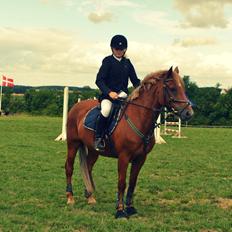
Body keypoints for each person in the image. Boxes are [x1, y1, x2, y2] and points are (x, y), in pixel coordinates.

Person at [94, 34, 141, 151]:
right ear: (112, 48)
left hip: (123, 97)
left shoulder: (127, 63)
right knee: (106, 110)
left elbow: (135, 81)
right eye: (117, 49)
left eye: (122, 49)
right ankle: (99, 138)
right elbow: (99, 80)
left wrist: (144, 89)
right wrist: (109, 92)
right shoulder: (108, 61)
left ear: (125, 49)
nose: (119, 51)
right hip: (108, 96)